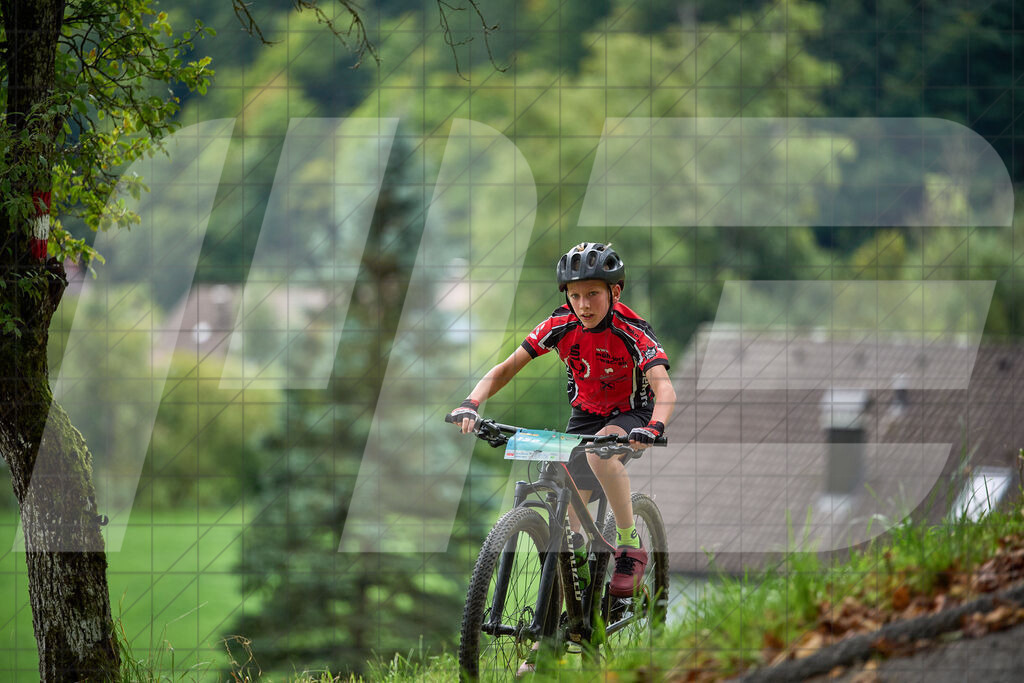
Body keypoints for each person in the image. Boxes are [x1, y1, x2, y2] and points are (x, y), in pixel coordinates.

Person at [449, 241, 676, 598]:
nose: (583, 305)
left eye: (593, 294)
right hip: (585, 415)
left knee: (598, 455)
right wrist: (471, 402)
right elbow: (507, 368)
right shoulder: (560, 325)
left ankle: (630, 546)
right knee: (569, 528)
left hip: (632, 413)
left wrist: (654, 427)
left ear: (614, 292)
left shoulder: (634, 332)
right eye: (575, 295)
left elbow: (665, 390)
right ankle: (566, 611)